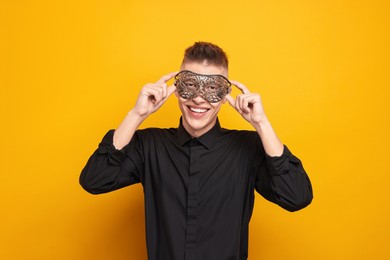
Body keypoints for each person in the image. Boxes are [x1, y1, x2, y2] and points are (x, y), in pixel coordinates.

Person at [80, 42, 313, 260]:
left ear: (224, 96)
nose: (199, 98)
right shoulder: (149, 145)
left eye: (212, 87)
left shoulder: (248, 148)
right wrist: (136, 115)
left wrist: (262, 124)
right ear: (177, 90)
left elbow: (296, 197)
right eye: (190, 85)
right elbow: (95, 179)